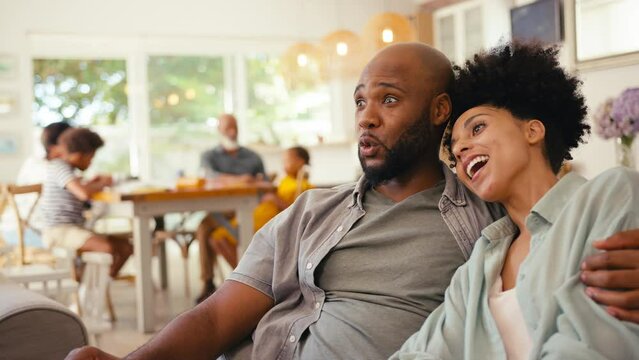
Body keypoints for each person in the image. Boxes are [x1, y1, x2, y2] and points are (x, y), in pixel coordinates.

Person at [65, 43, 639, 360]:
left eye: (389, 100)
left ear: (438, 111)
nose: (366, 115)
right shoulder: (312, 212)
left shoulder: (481, 215)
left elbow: (567, 210)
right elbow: (217, 316)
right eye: (361, 99)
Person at [393, 42, 639, 359]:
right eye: (454, 151)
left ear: (533, 130)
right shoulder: (478, 267)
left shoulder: (609, 197)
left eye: (477, 128)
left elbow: (594, 345)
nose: (459, 150)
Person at [41, 128, 133, 278]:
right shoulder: (58, 166)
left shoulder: (69, 171)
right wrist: (102, 184)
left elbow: (79, 189)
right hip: (58, 231)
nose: (91, 162)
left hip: (75, 229)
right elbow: (82, 193)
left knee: (126, 248)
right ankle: (84, 282)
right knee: (106, 247)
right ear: (79, 155)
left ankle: (100, 284)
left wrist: (91, 183)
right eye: (91, 157)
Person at [195, 113, 266, 303]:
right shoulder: (208, 156)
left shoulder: (253, 157)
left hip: (250, 208)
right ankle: (208, 282)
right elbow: (208, 177)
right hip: (220, 209)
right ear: (219, 130)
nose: (232, 132)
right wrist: (240, 179)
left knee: (210, 234)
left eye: (235, 127)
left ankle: (245, 280)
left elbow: (265, 183)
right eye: (228, 128)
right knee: (204, 229)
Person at [210, 146, 313, 268]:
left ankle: (244, 275)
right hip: (260, 215)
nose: (283, 164)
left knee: (220, 238)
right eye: (283, 161)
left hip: (269, 221)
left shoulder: (304, 185)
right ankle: (245, 275)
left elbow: (300, 212)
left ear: (300, 162)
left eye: (287, 161)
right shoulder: (285, 180)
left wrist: (275, 200)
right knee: (217, 238)